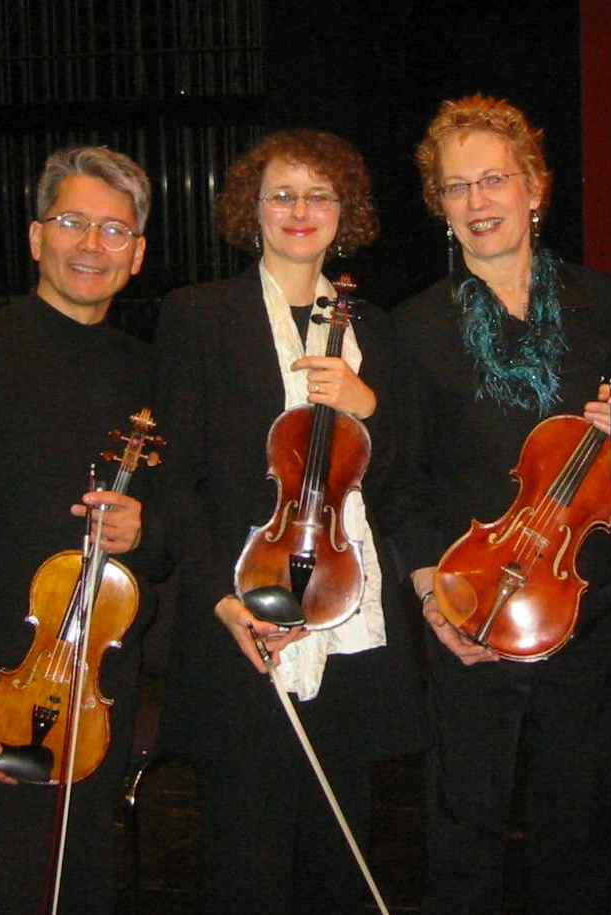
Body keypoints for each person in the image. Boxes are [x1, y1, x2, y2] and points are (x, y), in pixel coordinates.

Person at [390, 95, 611, 913]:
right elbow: (398, 481)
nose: (478, 202)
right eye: (457, 186)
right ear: (439, 204)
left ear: (534, 187)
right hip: (468, 602)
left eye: (494, 180)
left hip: (578, 601)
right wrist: (437, 599)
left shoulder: (600, 302)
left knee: (575, 823)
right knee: (463, 820)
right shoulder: (410, 327)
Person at [152, 129, 423, 914]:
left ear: (346, 211)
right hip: (243, 614)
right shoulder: (199, 315)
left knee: (340, 856)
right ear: (251, 208)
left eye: (319, 194)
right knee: (249, 857)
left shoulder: (376, 327)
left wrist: (369, 406)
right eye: (281, 193)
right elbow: (179, 480)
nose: (300, 210)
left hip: (343, 611)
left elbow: (402, 479)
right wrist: (219, 597)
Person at [0, 145, 161, 913]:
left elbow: (176, 529)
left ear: (137, 255)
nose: (91, 245)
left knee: (82, 884)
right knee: (2, 886)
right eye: (72, 221)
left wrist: (147, 529)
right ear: (36, 236)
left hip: (101, 685)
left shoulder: (150, 372)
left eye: (115, 231)